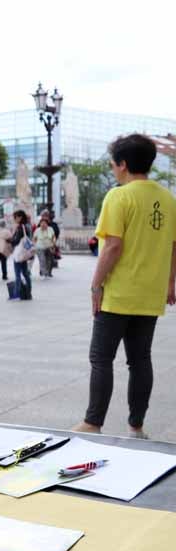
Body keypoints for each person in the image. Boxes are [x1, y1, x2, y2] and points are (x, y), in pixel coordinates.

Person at [73, 134, 176, 438]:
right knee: (140, 359)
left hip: (118, 295)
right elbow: (173, 246)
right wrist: (171, 283)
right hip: (149, 293)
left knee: (101, 358)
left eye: (113, 164)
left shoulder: (119, 196)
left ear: (124, 164)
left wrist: (95, 285)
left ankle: (93, 423)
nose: (112, 169)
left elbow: (112, 246)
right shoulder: (168, 199)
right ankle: (137, 426)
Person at [9, 210, 33, 300]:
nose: (14, 219)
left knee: (18, 274)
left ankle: (16, 294)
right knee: (26, 274)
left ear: (20, 217)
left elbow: (16, 241)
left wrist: (9, 240)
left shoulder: (21, 227)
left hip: (19, 254)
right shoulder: (27, 226)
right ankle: (28, 293)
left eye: (15, 217)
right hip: (24, 254)